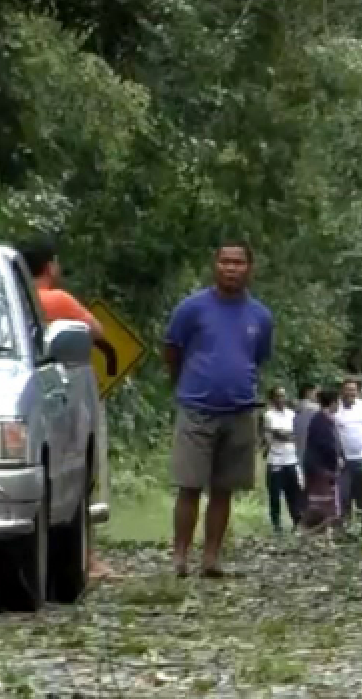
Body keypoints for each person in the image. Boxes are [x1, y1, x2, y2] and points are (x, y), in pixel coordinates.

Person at [163, 240, 275, 578]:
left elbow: (258, 356)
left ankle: (211, 557)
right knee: (189, 485)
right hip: (197, 407)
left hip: (240, 410)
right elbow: (172, 348)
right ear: (215, 265)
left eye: (238, 262)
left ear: (249, 268)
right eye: (225, 261)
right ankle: (180, 556)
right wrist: (183, 382)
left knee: (223, 489)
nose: (231, 268)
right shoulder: (192, 308)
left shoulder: (260, 316)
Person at [17, 235, 114, 581]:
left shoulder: (7, 298)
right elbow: (97, 332)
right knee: (77, 470)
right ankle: (86, 556)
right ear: (50, 266)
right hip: (59, 392)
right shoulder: (54, 299)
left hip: (22, 398)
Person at [334, 377, 362, 527]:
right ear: (342, 391)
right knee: (344, 497)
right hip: (343, 462)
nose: (350, 393)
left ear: (358, 392)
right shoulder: (336, 408)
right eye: (347, 390)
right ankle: (345, 529)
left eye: (353, 390)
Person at [262, 386, 304, 532]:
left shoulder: (292, 414)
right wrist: (281, 434)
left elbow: (295, 435)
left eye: (283, 395)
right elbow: (271, 435)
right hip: (275, 460)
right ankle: (276, 525)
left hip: (291, 459)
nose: (281, 399)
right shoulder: (268, 415)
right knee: (274, 495)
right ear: (272, 398)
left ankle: (297, 522)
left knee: (294, 493)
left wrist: (282, 434)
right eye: (278, 396)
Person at [301, 388, 344, 532]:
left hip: (321, 468)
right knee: (320, 506)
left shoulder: (323, 419)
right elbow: (327, 446)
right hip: (321, 469)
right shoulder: (321, 421)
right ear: (333, 403)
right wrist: (336, 461)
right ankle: (309, 531)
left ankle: (322, 533)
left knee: (325, 504)